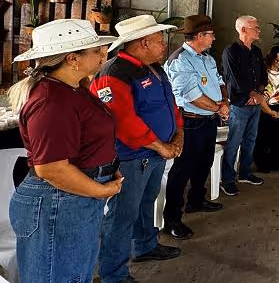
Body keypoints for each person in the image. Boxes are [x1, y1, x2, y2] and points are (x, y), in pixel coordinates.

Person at [7, 19, 120, 283]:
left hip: (73, 195)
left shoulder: (71, 89)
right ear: (72, 59)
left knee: (74, 271)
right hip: (58, 198)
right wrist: (101, 190)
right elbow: (52, 169)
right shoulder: (52, 100)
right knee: (59, 274)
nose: (104, 54)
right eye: (95, 50)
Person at [91, 15, 184, 282]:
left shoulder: (154, 67)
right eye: (158, 41)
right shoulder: (114, 72)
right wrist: (161, 146)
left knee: (146, 203)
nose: (163, 45)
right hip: (132, 157)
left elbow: (170, 103)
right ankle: (113, 274)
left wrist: (178, 134)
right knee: (123, 215)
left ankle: (145, 246)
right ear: (143, 43)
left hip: (156, 152)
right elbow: (123, 122)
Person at [162, 15, 228, 240]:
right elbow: (191, 96)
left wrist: (223, 103)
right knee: (182, 171)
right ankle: (172, 219)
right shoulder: (180, 61)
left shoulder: (206, 58)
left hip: (208, 120)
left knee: (204, 163)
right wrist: (219, 108)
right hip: (190, 122)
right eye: (211, 34)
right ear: (199, 36)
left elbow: (219, 82)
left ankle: (196, 201)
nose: (214, 38)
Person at [220, 15, 267, 196]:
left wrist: (259, 94)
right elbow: (233, 79)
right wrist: (251, 95)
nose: (259, 29)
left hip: (254, 104)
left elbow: (262, 76)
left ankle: (245, 172)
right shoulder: (230, 51)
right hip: (240, 104)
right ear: (243, 30)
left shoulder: (256, 52)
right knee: (233, 143)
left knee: (250, 140)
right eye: (255, 27)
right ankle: (227, 179)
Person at [254, 46, 279, 172]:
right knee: (262, 138)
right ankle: (262, 163)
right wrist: (270, 112)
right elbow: (259, 97)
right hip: (264, 109)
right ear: (271, 59)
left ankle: (276, 160)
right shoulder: (263, 73)